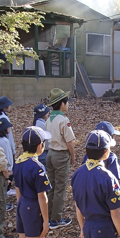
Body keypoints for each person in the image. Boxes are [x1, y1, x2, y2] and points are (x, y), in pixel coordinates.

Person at [13, 126, 53, 238]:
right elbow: (42, 196)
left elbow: (17, 189)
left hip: (22, 204)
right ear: (39, 146)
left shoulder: (18, 162)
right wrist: (45, 220)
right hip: (32, 207)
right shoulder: (37, 166)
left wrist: (20, 206)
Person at [45, 88, 76, 229]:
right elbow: (69, 141)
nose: (68, 104)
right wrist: (73, 156)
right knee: (60, 188)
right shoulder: (63, 120)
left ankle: (48, 214)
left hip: (50, 153)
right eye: (67, 102)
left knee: (51, 187)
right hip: (61, 154)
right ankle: (56, 219)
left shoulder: (49, 119)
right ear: (62, 104)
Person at [0, 119, 15, 211]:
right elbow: (8, 155)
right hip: (5, 167)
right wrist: (10, 168)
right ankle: (3, 204)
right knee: (3, 186)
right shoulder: (5, 141)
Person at [33, 103, 51, 167]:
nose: (48, 113)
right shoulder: (42, 125)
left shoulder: (38, 123)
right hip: (43, 152)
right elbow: (47, 140)